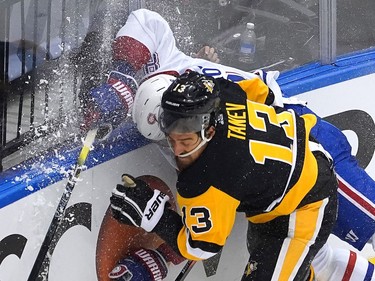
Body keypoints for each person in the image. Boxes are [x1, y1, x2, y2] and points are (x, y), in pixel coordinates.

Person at [89, 8, 375, 280]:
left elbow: (145, 20)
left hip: (303, 145)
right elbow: (208, 216)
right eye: (167, 135)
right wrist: (123, 76)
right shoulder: (190, 129)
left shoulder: (201, 153)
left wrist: (123, 73)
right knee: (313, 255)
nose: (174, 145)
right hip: (274, 186)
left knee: (367, 223)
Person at [110, 71, 338, 280]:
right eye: (170, 139)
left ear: (209, 131)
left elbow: (202, 246)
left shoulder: (209, 176)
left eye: (186, 141)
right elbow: (264, 94)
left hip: (306, 203)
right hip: (304, 152)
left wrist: (158, 217)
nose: (177, 151)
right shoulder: (221, 92)